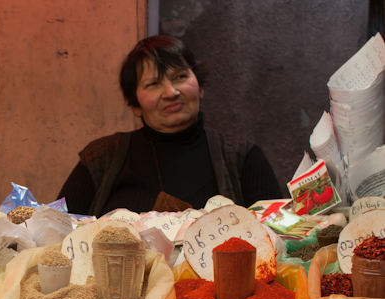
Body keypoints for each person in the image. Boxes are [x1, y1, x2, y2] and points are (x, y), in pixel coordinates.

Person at [58, 35, 283, 216]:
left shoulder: (242, 156)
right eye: (154, 83)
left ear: (200, 87)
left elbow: (278, 237)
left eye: (180, 77)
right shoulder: (101, 158)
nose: (171, 92)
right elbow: (56, 231)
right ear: (135, 104)